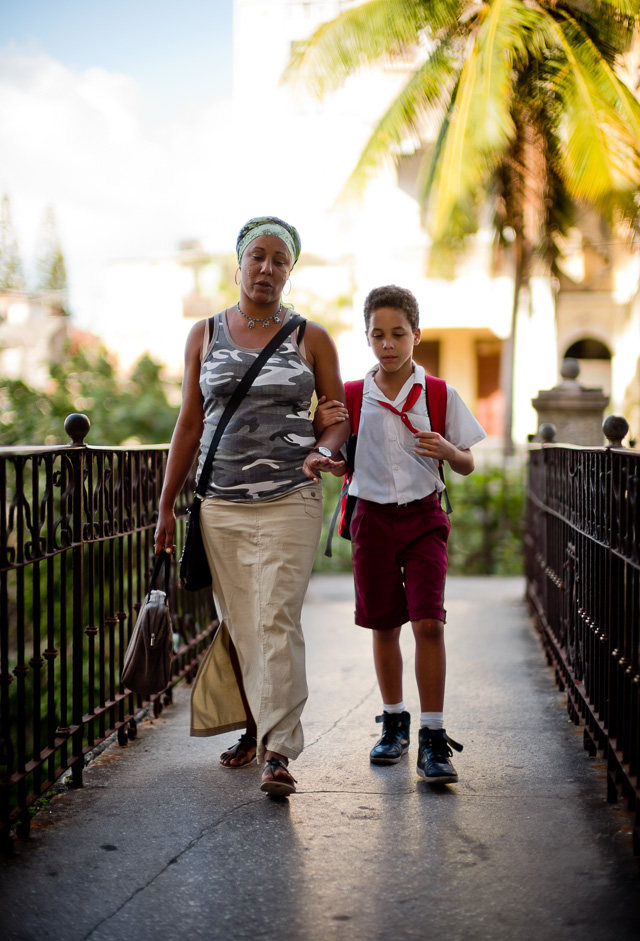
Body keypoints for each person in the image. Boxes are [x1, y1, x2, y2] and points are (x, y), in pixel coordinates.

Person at [154, 216, 347, 797]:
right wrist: (167, 506)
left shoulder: (310, 337)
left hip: (291, 496)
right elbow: (189, 424)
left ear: (290, 272)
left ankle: (279, 749)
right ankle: (252, 725)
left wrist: (325, 451)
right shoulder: (204, 334)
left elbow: (335, 416)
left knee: (276, 616)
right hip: (220, 506)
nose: (267, 269)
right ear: (239, 263)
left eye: (280, 261)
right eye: (258, 257)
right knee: (239, 623)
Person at [316, 285, 486, 784]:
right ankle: (394, 723)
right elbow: (340, 458)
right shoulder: (352, 396)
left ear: (416, 334)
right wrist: (328, 459)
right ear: (366, 336)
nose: (387, 344)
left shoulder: (437, 393)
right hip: (370, 519)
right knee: (384, 624)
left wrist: (449, 452)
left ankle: (433, 737)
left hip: (423, 519)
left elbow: (469, 461)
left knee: (428, 622)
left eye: (397, 334)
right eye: (377, 334)